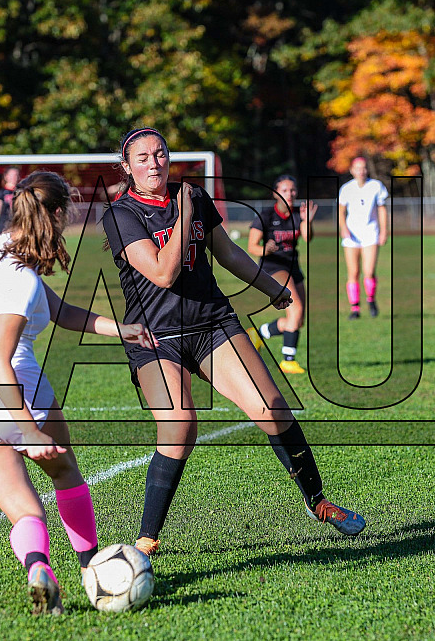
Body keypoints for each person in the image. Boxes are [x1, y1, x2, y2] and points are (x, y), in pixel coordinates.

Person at [102, 128, 365, 557]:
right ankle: (147, 540)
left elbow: (227, 253)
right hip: (153, 336)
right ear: (127, 167)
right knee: (179, 425)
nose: (154, 162)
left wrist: (269, 287)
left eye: (160, 153)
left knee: (271, 407)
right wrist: (184, 215)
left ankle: (319, 502)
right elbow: (163, 274)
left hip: (211, 323)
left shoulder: (195, 198)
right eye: (143, 157)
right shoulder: (120, 215)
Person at [0, 172, 156, 615]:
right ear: (56, 213)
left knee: (25, 512)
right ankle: (92, 568)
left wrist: (121, 329)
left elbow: (56, 309)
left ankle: (39, 569)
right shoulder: (20, 278)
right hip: (11, 392)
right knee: (66, 474)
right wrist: (29, 430)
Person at [245, 175, 317, 374]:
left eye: (293, 190)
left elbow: (307, 238)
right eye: (285, 190)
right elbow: (252, 247)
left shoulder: (297, 214)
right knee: (296, 309)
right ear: (276, 193)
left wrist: (307, 221)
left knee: (298, 320)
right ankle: (288, 360)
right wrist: (265, 250)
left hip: (293, 266)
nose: (290, 194)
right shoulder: (266, 216)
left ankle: (258, 334)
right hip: (272, 267)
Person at [337, 157, 388, 319]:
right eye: (358, 168)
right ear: (352, 170)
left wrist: (383, 231)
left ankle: (371, 300)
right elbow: (341, 211)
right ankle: (355, 308)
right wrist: (343, 228)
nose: (361, 171)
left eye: (364, 168)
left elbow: (382, 209)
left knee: (369, 271)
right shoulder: (346, 189)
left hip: (370, 233)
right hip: (352, 236)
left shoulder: (376, 186)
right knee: (353, 272)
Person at [0, 167, 21, 239]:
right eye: (11, 175)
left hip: (17, 228)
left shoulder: (21, 192)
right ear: (6, 176)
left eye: (16, 175)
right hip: (4, 228)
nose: (14, 177)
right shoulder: (1, 193)